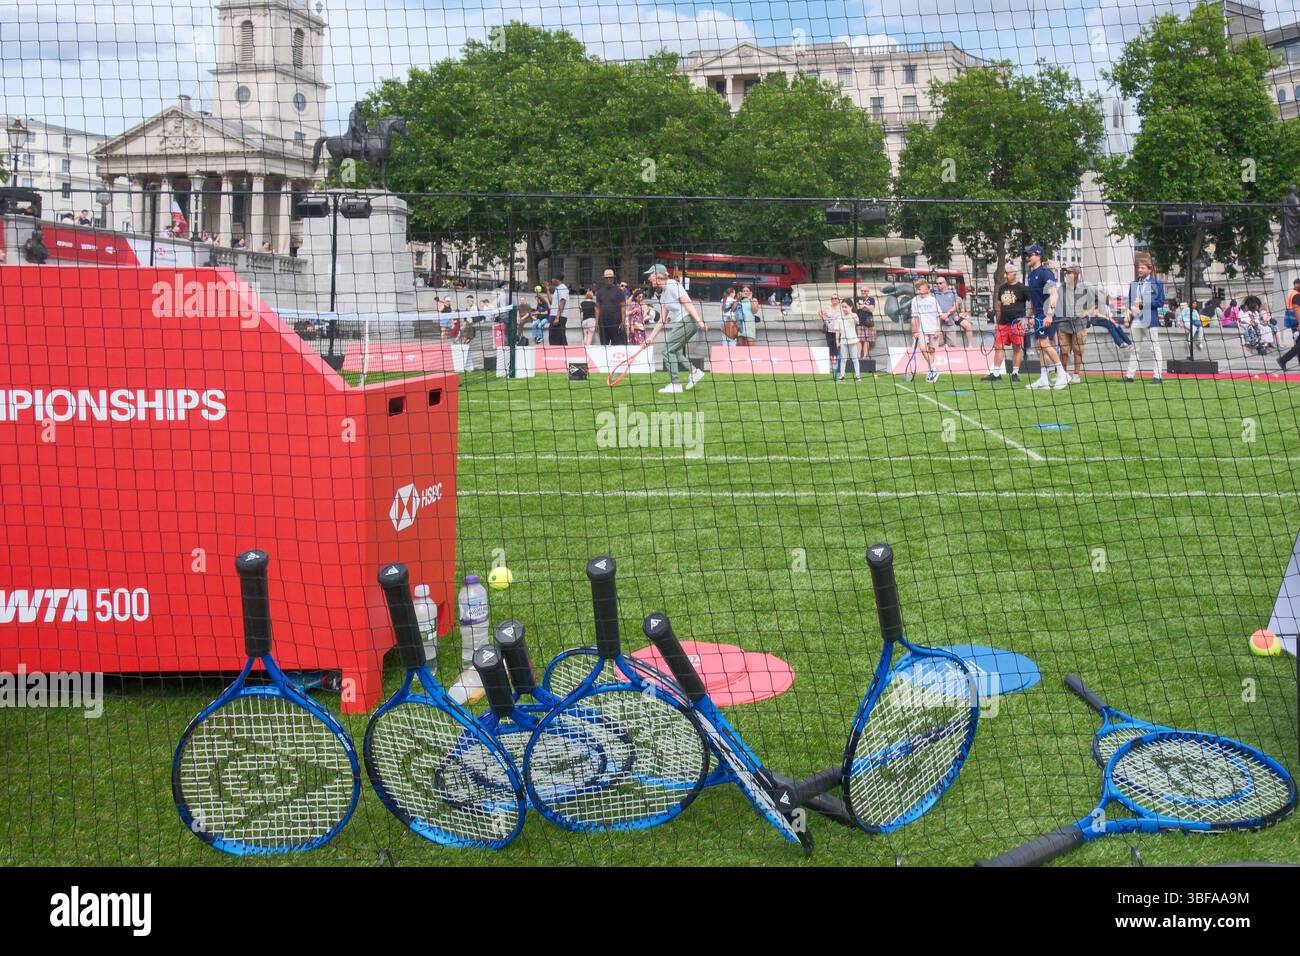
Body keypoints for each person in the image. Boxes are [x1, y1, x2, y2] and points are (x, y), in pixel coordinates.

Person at [642, 263, 707, 393]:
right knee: (675, 350)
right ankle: (694, 371)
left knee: (667, 350)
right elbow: (662, 321)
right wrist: (650, 338)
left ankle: (675, 384)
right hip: (684, 322)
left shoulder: (672, 285)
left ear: (657, 275)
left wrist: (699, 321)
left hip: (688, 320)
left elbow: (687, 303)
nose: (649, 278)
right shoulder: (664, 293)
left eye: (650, 275)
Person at [1024, 246, 1069, 390]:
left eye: (1029, 255)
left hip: (1046, 313)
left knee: (1044, 344)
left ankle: (1063, 374)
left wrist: (1049, 315)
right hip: (1037, 314)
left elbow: (1054, 294)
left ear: (1038, 255)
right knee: (1040, 346)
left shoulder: (1046, 273)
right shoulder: (1030, 276)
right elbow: (1032, 299)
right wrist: (1028, 316)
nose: (1027, 257)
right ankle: (1044, 378)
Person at [984, 264, 1030, 382]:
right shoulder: (1002, 287)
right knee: (998, 347)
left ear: (1014, 274)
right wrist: (997, 322)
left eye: (1007, 273)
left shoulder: (1023, 288)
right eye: (1004, 273)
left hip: (1016, 324)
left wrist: (1027, 318)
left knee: (1017, 348)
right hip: (1003, 324)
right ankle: (995, 373)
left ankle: (1015, 373)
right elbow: (999, 305)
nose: (1005, 276)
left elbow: (1031, 304)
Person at [1125, 253, 1166, 383]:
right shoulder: (1134, 284)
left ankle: (1157, 376)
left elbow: (1159, 302)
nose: (1139, 270)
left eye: (1142, 268)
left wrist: (1142, 305)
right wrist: (1129, 313)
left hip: (1150, 320)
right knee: (1135, 348)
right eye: (1139, 268)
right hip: (1136, 319)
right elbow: (1130, 302)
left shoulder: (1157, 283)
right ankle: (1129, 375)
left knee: (1154, 348)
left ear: (1149, 269)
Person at [911, 279, 943, 383]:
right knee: (922, 347)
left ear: (925, 288)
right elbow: (914, 317)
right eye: (917, 288)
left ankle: (931, 372)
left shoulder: (933, 300)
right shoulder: (914, 300)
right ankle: (934, 368)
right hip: (922, 330)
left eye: (920, 287)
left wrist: (938, 329)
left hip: (933, 329)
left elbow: (938, 315)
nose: (918, 290)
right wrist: (914, 331)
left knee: (932, 351)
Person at [934, 275, 973, 349]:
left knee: (968, 326)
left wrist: (947, 314)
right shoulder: (934, 294)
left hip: (953, 316)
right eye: (937, 283)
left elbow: (956, 305)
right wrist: (942, 316)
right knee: (939, 344)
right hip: (939, 318)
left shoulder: (953, 293)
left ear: (945, 283)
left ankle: (970, 345)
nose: (938, 285)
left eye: (940, 283)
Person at [595, 269, 627, 345]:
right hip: (603, 322)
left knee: (616, 345)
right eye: (607, 277)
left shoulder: (619, 291)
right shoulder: (600, 292)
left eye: (610, 277)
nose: (609, 279)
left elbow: (623, 307)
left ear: (613, 278)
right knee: (604, 345)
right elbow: (597, 308)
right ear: (604, 279)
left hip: (616, 322)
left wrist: (623, 321)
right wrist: (596, 323)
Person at [835, 299, 862, 382]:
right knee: (843, 359)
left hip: (853, 341)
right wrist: (837, 341)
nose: (844, 308)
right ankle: (842, 375)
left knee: (855, 359)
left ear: (850, 307)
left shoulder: (854, 315)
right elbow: (837, 331)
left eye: (845, 307)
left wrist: (850, 312)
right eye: (842, 307)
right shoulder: (839, 317)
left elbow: (857, 321)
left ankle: (857, 376)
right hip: (843, 341)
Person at [820, 295, 843, 379]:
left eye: (836, 298)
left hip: (838, 330)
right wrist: (825, 320)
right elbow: (820, 312)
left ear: (838, 300)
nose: (834, 300)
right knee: (830, 346)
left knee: (836, 346)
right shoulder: (827, 307)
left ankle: (835, 365)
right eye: (833, 299)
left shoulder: (841, 308)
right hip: (829, 330)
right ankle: (831, 364)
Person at [547, 276, 569, 346]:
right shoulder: (557, 288)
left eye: (552, 278)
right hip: (555, 315)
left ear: (556, 279)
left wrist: (557, 317)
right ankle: (566, 354)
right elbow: (551, 302)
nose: (551, 279)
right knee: (560, 338)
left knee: (554, 337)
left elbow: (562, 302)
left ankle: (555, 354)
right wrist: (547, 290)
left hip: (559, 316)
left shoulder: (562, 288)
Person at [855, 293, 877, 360]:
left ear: (868, 292)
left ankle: (865, 356)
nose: (863, 292)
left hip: (869, 323)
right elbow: (858, 307)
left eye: (865, 291)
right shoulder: (858, 298)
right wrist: (867, 307)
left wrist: (864, 306)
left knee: (866, 340)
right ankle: (858, 356)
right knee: (859, 340)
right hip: (859, 322)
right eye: (862, 291)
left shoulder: (871, 299)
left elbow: (872, 309)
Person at [1283, 279, 1300, 349]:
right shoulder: (1296, 294)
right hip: (1296, 319)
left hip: (1290, 319)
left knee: (1296, 336)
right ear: (1297, 284)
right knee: (1298, 337)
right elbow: (1296, 308)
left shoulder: (1292, 293)